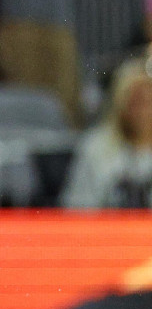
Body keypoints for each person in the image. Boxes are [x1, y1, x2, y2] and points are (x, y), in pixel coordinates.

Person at [61, 58, 152, 209]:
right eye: (137, 101)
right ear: (121, 102)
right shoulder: (95, 148)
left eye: (149, 101)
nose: (144, 111)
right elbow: (77, 209)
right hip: (106, 230)